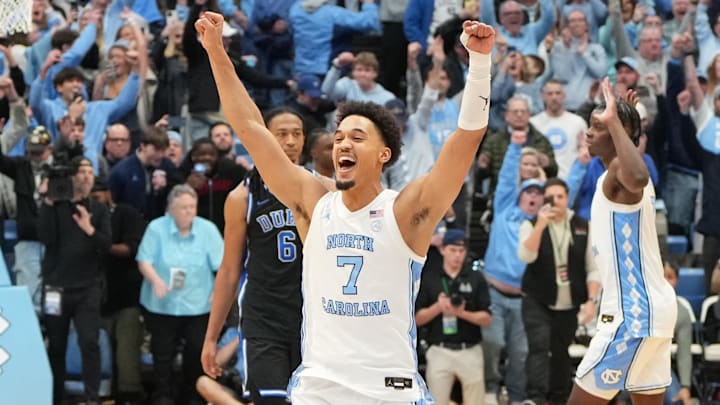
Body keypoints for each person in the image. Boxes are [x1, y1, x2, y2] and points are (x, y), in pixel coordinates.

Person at [196, 12, 495, 404]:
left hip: (389, 388)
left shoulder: (404, 213)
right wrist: (217, 52)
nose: (343, 145)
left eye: (357, 137)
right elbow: (250, 126)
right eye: (338, 138)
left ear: (383, 155)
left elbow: (466, 140)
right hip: (320, 387)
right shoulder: (312, 204)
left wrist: (481, 63)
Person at [568, 78, 677, 405]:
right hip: (651, 313)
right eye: (591, 125)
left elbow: (639, 175)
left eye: (598, 127)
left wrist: (618, 121)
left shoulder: (621, 172)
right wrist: (624, 120)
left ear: (620, 133)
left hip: (633, 315)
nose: (589, 132)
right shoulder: (612, 174)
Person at [202, 108, 309, 405]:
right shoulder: (242, 197)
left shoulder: (319, 189)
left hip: (313, 320)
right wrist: (212, 337)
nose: (290, 141)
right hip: (264, 320)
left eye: (297, 134)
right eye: (282, 134)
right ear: (264, 139)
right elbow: (228, 271)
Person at [136, 184, 224, 405]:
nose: (188, 212)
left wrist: (218, 292)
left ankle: (193, 397)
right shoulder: (157, 228)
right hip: (162, 305)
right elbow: (143, 260)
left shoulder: (208, 230)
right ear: (171, 209)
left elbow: (223, 266)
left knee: (195, 354)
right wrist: (155, 280)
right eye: (183, 207)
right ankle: (162, 396)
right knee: (162, 354)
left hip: (198, 304)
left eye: (192, 207)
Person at [517, 177, 600, 405]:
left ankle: (558, 399)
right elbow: (526, 256)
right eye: (550, 197)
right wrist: (541, 225)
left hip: (569, 302)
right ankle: (534, 398)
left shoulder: (583, 225)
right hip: (537, 298)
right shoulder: (531, 224)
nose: (556, 201)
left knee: (561, 351)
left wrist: (592, 300)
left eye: (560, 196)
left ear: (568, 198)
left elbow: (593, 268)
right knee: (539, 345)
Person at [38, 156, 112, 405]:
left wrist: (88, 228)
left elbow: (106, 246)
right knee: (56, 347)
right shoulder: (54, 206)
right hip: (56, 288)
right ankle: (55, 398)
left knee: (89, 343)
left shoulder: (99, 209)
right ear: (70, 177)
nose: (85, 176)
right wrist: (48, 202)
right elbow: (45, 238)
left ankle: (93, 399)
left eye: (90, 172)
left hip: (87, 287)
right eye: (80, 172)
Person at [415, 229, 492, 405]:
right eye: (453, 250)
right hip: (439, 350)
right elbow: (417, 319)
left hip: (470, 349)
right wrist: (438, 307)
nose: (457, 255)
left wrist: (461, 313)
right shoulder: (430, 278)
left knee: (475, 401)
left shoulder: (476, 278)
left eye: (461, 251)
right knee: (436, 401)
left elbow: (487, 318)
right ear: (442, 249)